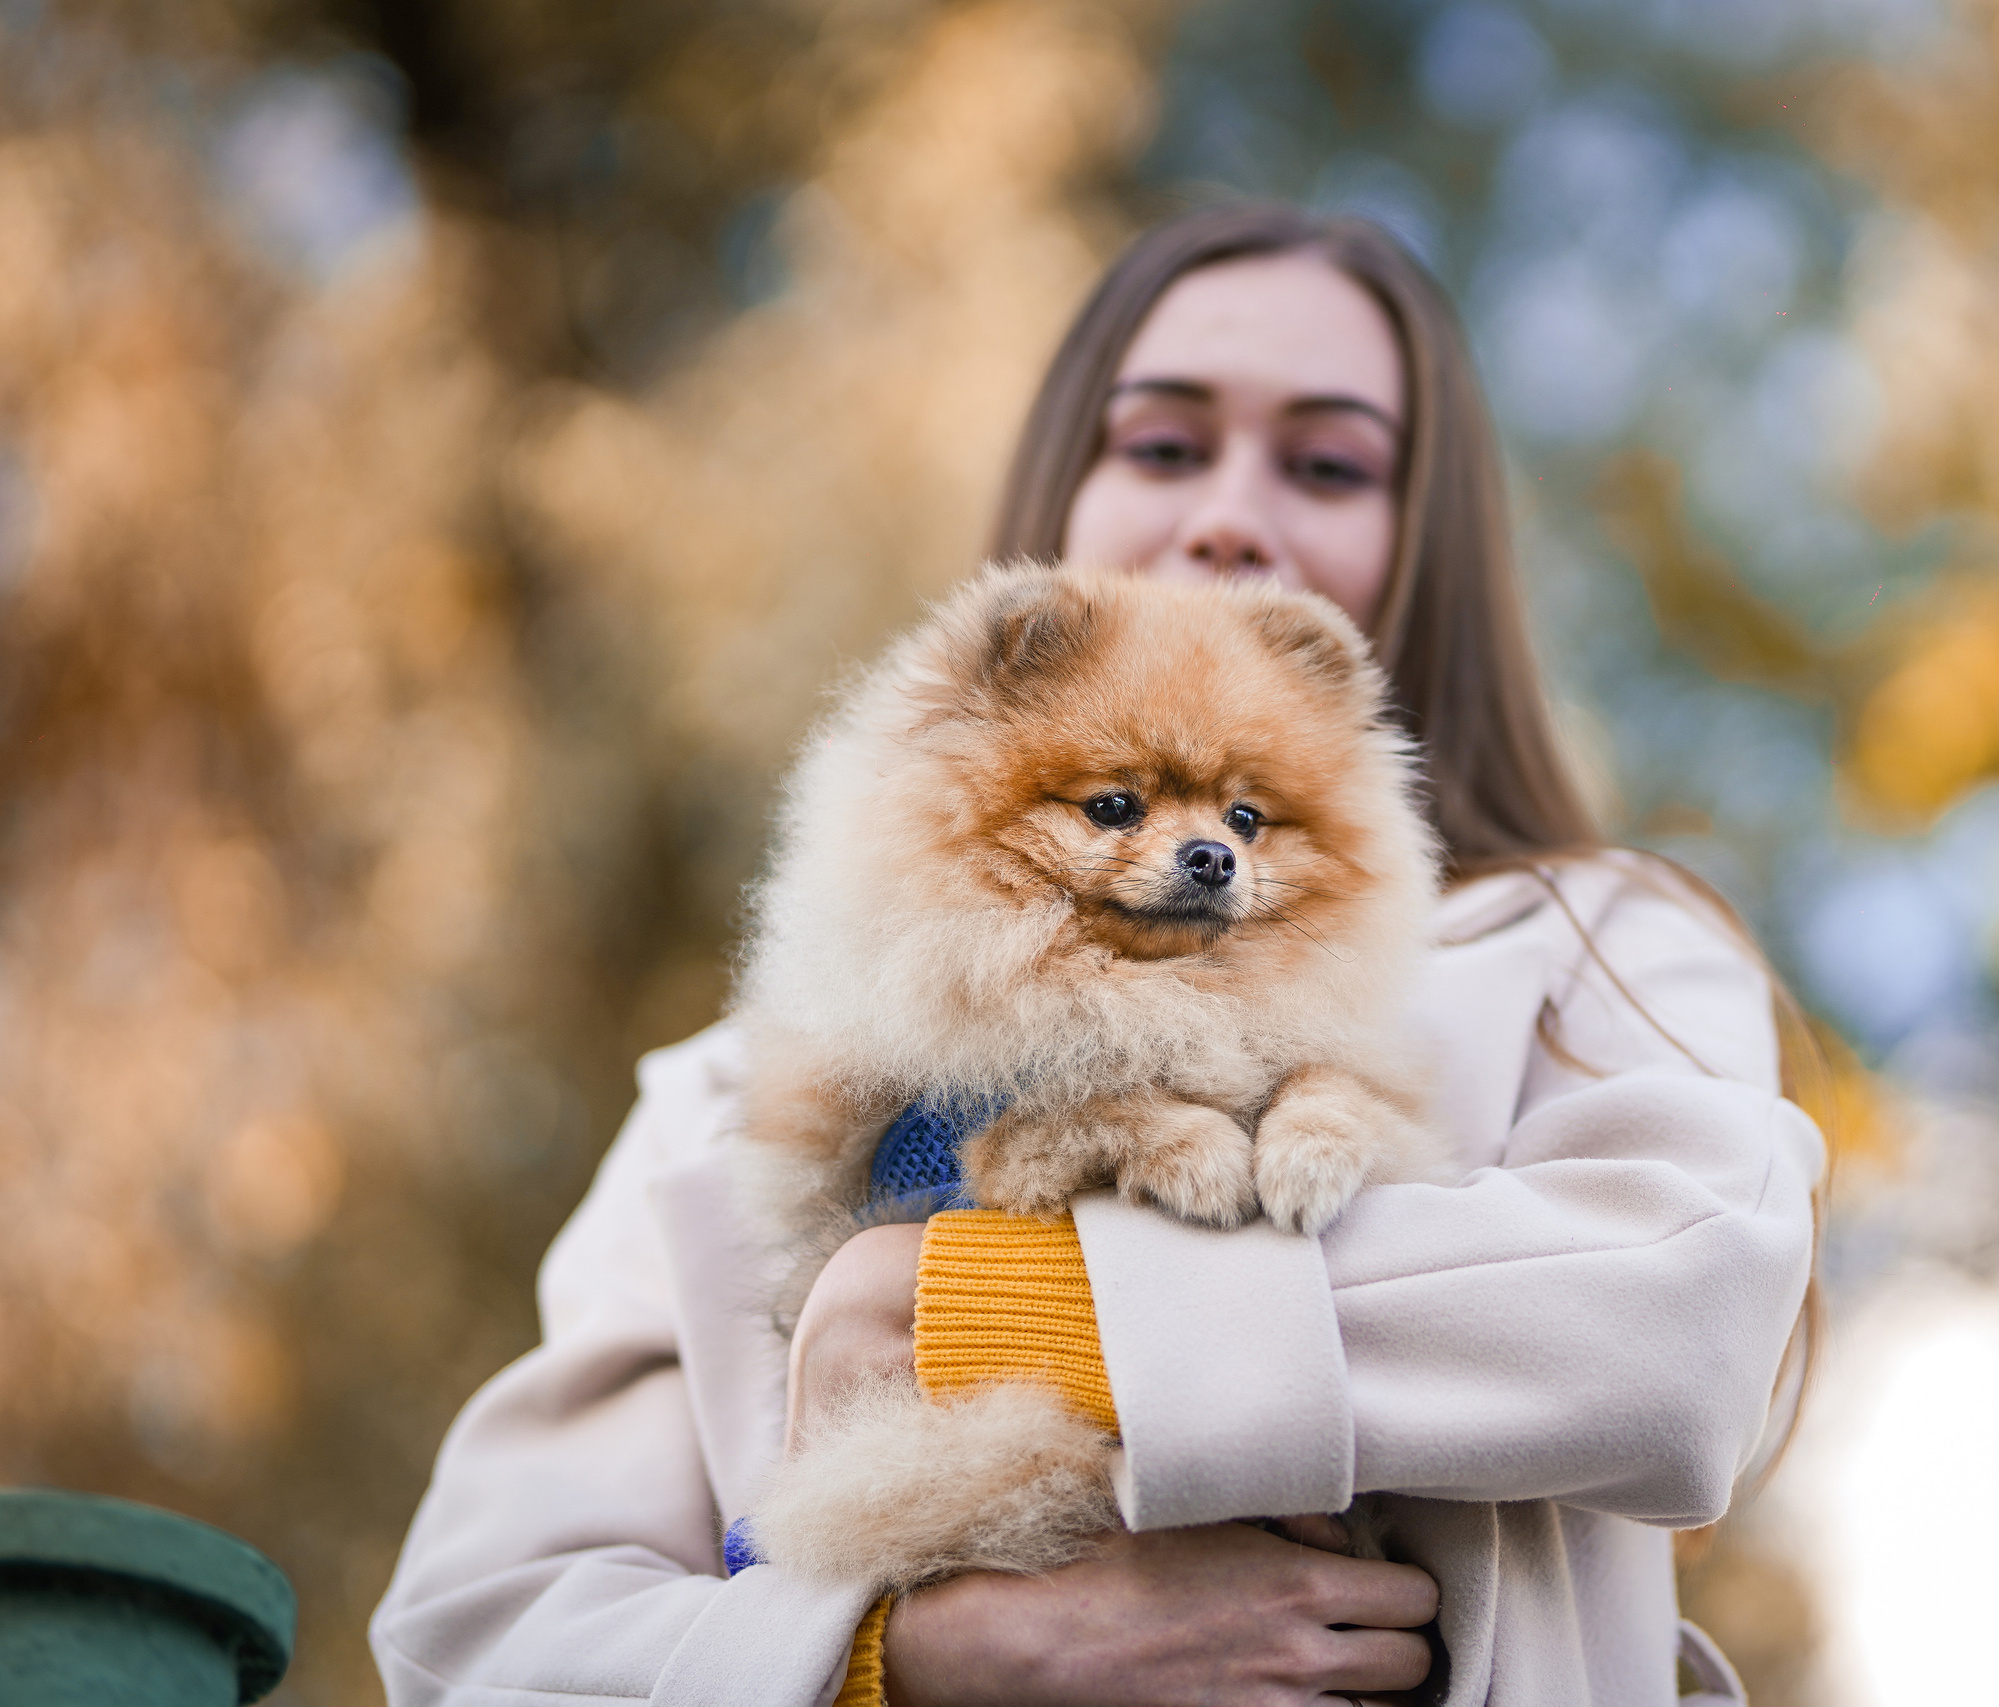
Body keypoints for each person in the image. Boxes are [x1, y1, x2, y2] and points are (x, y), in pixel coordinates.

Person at [371, 202, 1825, 1707]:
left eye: (1328, 464)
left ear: (1427, 543)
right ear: (1062, 488)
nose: (1231, 513)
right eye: (1165, 445)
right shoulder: (724, 1094)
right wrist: (894, 1659)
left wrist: (970, 1304)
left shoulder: (1600, 950)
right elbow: (477, 1639)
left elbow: (1686, 1324)